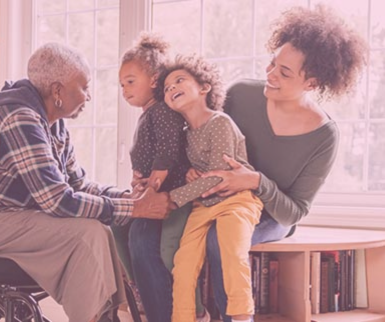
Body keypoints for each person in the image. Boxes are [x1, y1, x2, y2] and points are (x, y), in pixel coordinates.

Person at [129, 4, 367, 322]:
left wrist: (254, 181)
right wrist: (178, 169)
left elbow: (294, 210)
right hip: (208, 195)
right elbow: (195, 130)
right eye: (272, 64)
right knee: (143, 230)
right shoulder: (240, 94)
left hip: (268, 212)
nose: (270, 75)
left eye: (284, 73)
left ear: (311, 83)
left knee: (221, 241)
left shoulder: (324, 136)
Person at [0, 42, 174, 322]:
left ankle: (107, 316)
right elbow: (57, 200)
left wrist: (128, 198)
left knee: (98, 229)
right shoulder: (19, 118)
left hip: (3, 218)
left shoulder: (54, 124)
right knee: (86, 233)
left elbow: (77, 185)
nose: (88, 97)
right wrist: (137, 210)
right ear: (57, 91)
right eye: (84, 87)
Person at [160, 54, 264, 322]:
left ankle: (242, 317)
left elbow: (218, 177)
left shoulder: (219, 122)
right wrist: (186, 172)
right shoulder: (184, 134)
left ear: (204, 88)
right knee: (182, 266)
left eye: (179, 81)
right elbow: (190, 171)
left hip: (236, 200)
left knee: (232, 253)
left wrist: (171, 199)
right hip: (202, 206)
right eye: (167, 87)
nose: (171, 88)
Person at [114, 32, 207, 319]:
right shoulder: (148, 115)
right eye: (121, 84)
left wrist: (150, 188)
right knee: (123, 230)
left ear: (154, 80)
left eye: (130, 81)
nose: (124, 89)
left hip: (169, 193)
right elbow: (146, 155)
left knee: (142, 242)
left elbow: (167, 151)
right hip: (153, 192)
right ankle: (144, 298)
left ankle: (161, 313)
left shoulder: (163, 112)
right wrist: (137, 180)